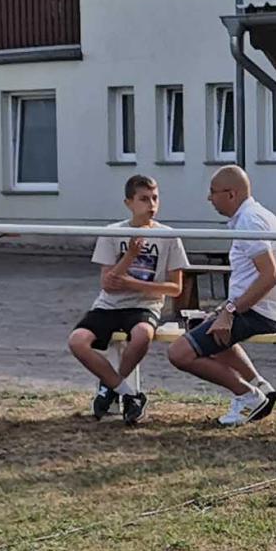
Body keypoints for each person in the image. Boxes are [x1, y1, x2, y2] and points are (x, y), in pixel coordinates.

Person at [164, 166, 276, 424]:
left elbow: (269, 276)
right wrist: (224, 309)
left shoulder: (250, 221)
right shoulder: (254, 216)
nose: (209, 198)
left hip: (261, 311)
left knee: (179, 353)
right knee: (200, 324)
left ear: (231, 194)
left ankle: (248, 395)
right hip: (262, 307)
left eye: (213, 192)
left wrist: (230, 312)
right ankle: (260, 387)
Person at [70, 174, 187, 426]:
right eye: (144, 199)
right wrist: (130, 255)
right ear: (129, 203)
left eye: (155, 198)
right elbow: (108, 283)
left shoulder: (169, 235)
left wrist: (135, 285)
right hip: (109, 305)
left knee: (142, 335)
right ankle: (128, 393)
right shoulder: (113, 232)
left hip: (145, 306)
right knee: (77, 341)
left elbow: (175, 288)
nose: (151, 205)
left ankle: (110, 387)